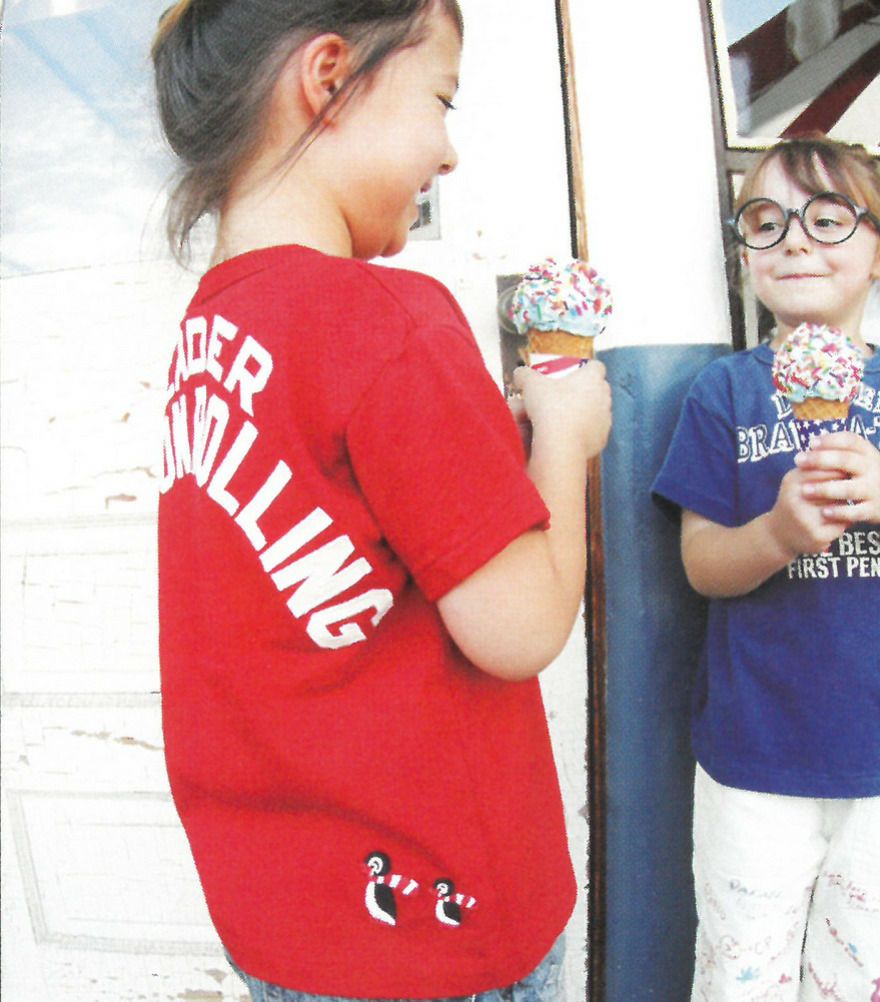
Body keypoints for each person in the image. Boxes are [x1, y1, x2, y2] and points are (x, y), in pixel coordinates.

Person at [151, 2, 611, 1000]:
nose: (447, 152)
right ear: (330, 79)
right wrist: (567, 441)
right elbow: (522, 626)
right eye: (442, 100)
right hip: (438, 930)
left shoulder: (210, 335)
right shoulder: (388, 319)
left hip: (280, 927)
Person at [651, 134, 880, 1001]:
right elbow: (703, 563)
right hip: (755, 757)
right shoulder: (726, 394)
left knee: (865, 981)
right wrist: (776, 533)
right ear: (746, 257)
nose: (795, 242)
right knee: (738, 976)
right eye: (766, 222)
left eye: (827, 219)